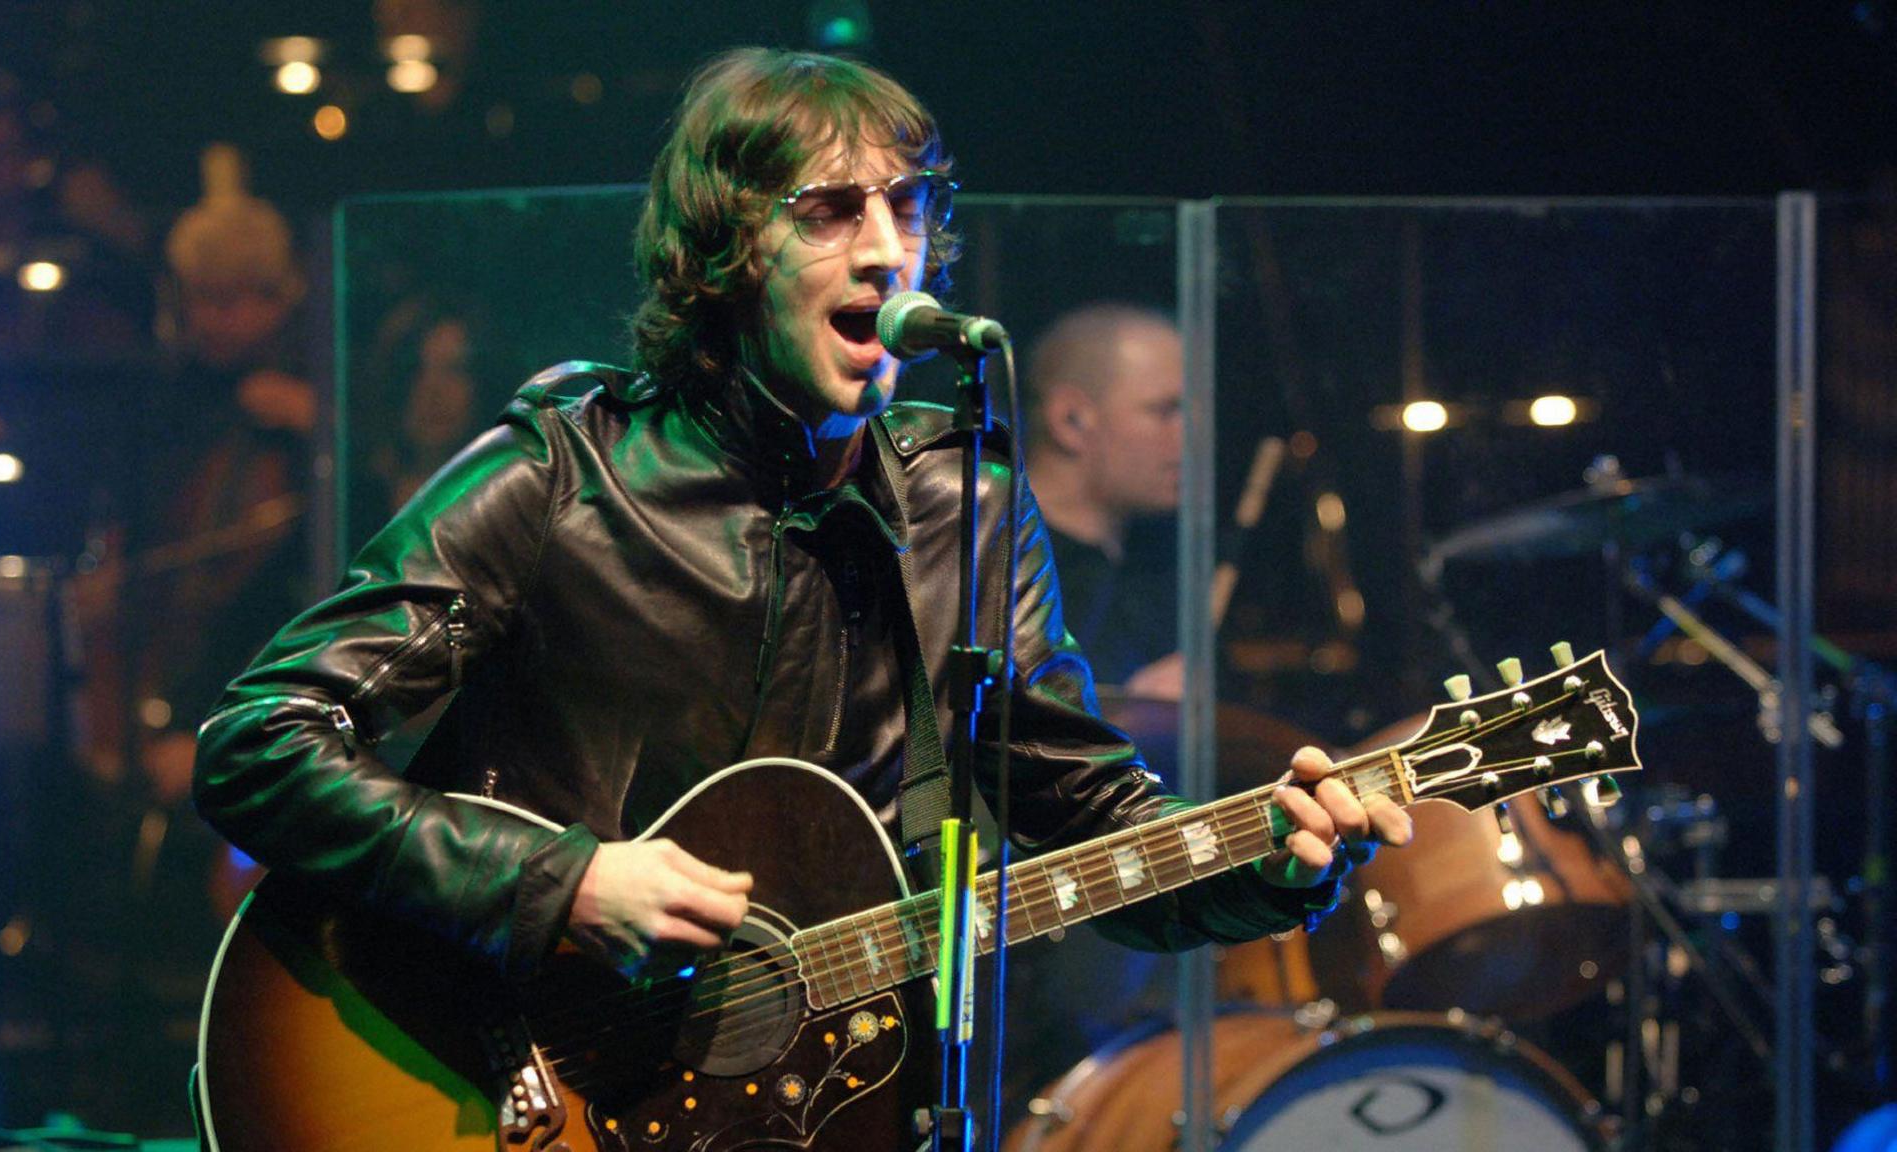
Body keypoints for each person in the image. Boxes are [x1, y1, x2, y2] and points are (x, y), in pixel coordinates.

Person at [193, 45, 1409, 1135]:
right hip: (503, 1074)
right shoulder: (564, 471)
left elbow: (1084, 819)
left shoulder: (961, 510)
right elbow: (260, 744)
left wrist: (1273, 861)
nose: (885, 246)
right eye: (828, 211)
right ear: (723, 254)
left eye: (909, 204)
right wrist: (558, 884)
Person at [1018, 303, 1185, 691]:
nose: (1190, 435)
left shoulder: (1155, 569)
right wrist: (1133, 715)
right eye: (1165, 411)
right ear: (1070, 420)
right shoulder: (997, 568)